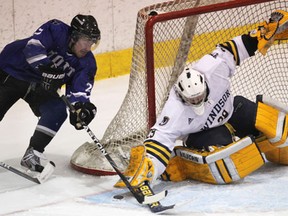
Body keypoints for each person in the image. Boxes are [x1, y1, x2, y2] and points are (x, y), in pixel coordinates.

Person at [114, 10, 288, 188]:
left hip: (232, 110)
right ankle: (184, 164)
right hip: (203, 134)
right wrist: (148, 170)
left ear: (205, 85)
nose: (197, 101)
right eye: (192, 100)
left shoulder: (213, 68)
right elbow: (158, 141)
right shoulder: (174, 110)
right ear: (183, 96)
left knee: (277, 127)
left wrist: (262, 34)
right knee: (227, 162)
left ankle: (271, 148)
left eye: (199, 97)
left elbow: (234, 49)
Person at [0, 14, 100, 173]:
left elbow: (79, 92)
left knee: (57, 111)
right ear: (74, 37)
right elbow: (33, 47)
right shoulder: (56, 29)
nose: (88, 47)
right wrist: (47, 69)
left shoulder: (87, 62)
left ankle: (33, 153)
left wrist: (81, 109)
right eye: (86, 40)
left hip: (41, 86)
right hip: (12, 71)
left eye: (92, 42)